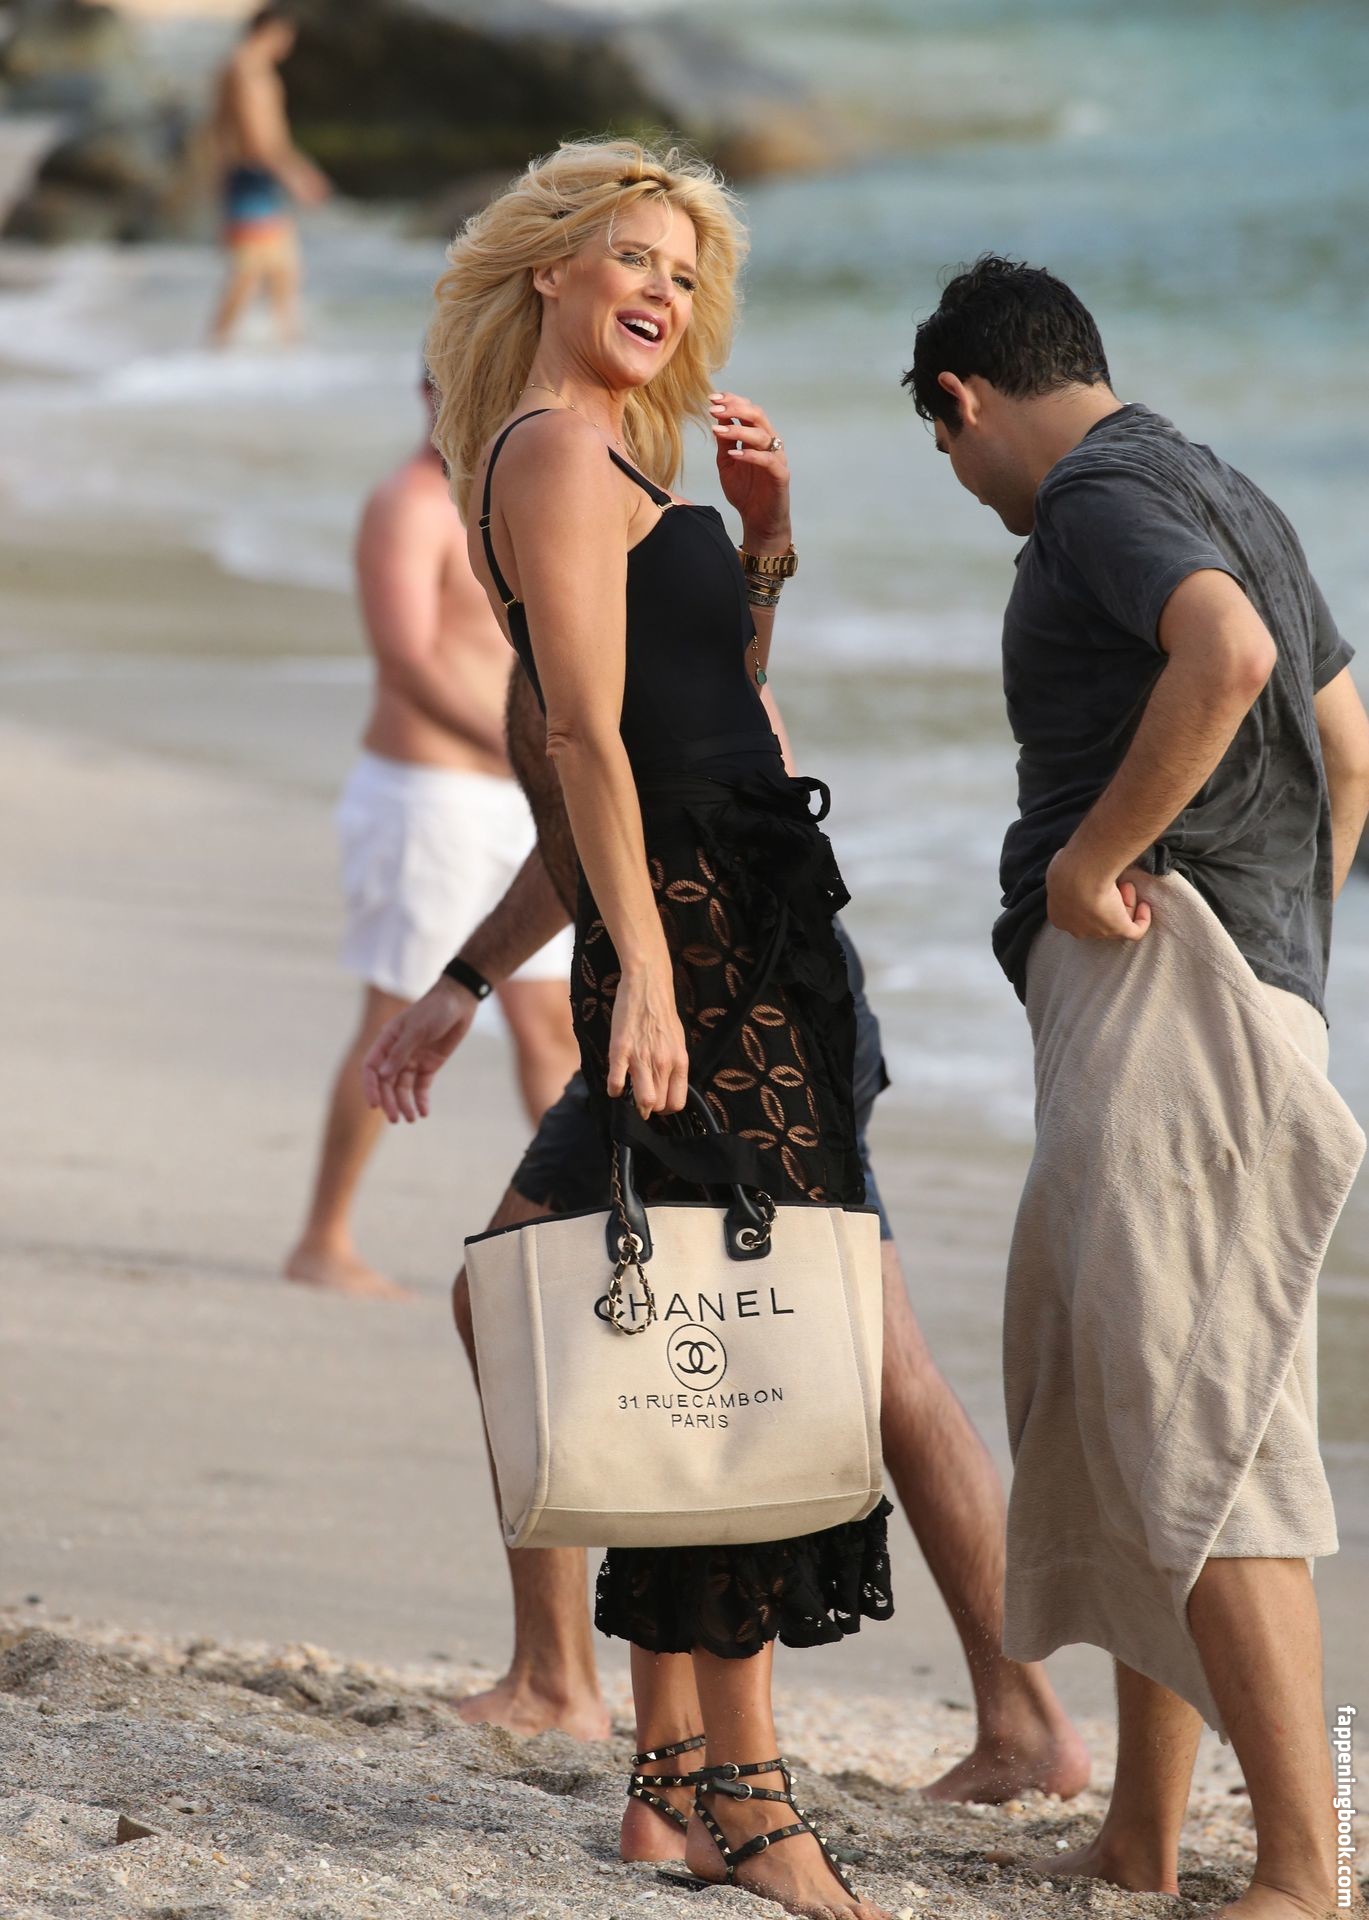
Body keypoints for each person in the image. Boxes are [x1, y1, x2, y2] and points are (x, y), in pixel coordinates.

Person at [406, 134, 896, 1920]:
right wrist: (652, 971)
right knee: (741, 1349)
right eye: (632, 257)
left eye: (685, 276)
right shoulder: (547, 450)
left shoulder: (619, 458)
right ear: (550, 267)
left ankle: (671, 1784)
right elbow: (586, 746)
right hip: (698, 936)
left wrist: (764, 545)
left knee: (697, 1319)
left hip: (738, 912)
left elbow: (708, 704)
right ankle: (748, 1805)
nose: (662, 295)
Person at [367, 660, 1092, 1807]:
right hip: (707, 1005)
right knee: (857, 1348)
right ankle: (1018, 1719)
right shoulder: (585, 614)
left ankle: (567, 1683)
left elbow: (717, 821)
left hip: (730, 1020)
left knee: (544, 1304)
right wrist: (468, 978)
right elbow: (594, 836)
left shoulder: (619, 610)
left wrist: (693, 1024)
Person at [906, 254, 1369, 1920]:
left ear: (958, 399)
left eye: (945, 451)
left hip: (1168, 987)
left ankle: (1303, 1870)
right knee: (1131, 1412)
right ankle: (1139, 1837)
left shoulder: (1092, 499)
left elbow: (1222, 657)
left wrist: (1092, 861)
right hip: (1237, 988)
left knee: (1198, 1422)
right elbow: (1349, 747)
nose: (963, 486)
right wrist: (1279, 952)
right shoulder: (1222, 486)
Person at [284, 377, 578, 1300]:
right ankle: (323, 1238)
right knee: (397, 1012)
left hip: (520, 801)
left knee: (552, 1021)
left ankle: (586, 1229)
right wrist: (531, 754)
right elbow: (408, 662)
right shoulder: (407, 505)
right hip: (429, 798)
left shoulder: (512, 503)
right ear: (427, 390)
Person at [207, 6, 329, 348]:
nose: (289, 44)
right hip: (251, 179)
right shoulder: (247, 70)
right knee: (250, 273)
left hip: (254, 178)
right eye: (287, 35)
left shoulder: (249, 68)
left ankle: (283, 353)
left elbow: (270, 138)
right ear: (273, 31)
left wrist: (301, 169)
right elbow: (257, 142)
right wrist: (295, 177)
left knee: (282, 270)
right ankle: (216, 349)